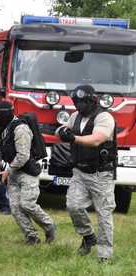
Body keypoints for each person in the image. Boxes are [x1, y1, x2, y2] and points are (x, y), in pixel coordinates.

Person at [57, 85, 116, 263]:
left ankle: (104, 254)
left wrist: (73, 138)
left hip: (100, 174)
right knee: (73, 206)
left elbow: (97, 139)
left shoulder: (104, 117)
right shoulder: (75, 116)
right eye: (77, 102)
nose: (79, 105)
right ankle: (88, 236)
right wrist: (62, 132)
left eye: (83, 102)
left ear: (92, 100)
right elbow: (61, 130)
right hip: (79, 172)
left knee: (104, 213)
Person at [0, 101, 56, 245]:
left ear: (3, 115)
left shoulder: (20, 128)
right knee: (15, 208)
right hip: (14, 173)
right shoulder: (2, 128)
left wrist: (7, 171)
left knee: (27, 204)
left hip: (27, 172)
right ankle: (31, 237)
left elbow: (23, 156)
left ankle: (49, 226)